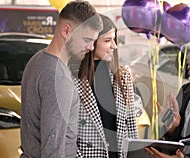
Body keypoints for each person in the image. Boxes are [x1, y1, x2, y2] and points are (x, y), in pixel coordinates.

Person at [20, 1, 103, 158]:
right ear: (66, 31)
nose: (91, 47)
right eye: (86, 40)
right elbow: (52, 149)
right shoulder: (59, 78)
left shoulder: (37, 59)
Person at [72, 14, 138, 158]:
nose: (114, 46)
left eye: (114, 40)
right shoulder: (72, 78)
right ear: (91, 42)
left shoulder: (122, 77)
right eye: (107, 40)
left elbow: (131, 126)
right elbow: (67, 132)